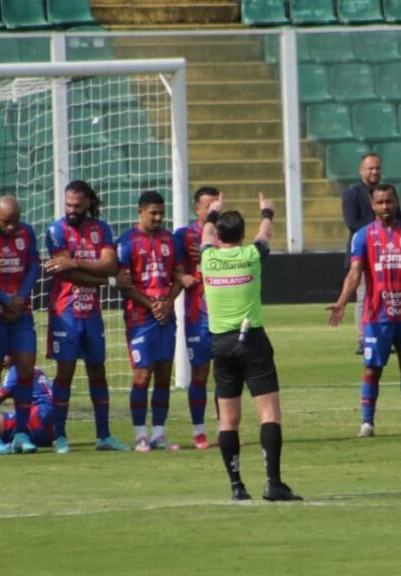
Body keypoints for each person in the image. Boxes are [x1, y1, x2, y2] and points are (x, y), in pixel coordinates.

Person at [201, 192, 301, 502]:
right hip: (252, 340)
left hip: (221, 344)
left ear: (219, 235)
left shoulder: (208, 257)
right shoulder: (251, 256)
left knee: (228, 419)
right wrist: (267, 212)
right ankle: (273, 482)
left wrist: (212, 212)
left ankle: (236, 486)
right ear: (242, 235)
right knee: (269, 413)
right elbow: (265, 234)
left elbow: (205, 233)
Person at [327, 184, 401, 438]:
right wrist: (342, 301)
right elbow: (355, 273)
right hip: (377, 315)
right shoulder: (363, 236)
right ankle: (367, 423)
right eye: (380, 202)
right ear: (373, 206)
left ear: (397, 203)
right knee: (372, 369)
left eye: (389, 201)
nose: (385, 206)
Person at [44, 180, 128, 453]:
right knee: (64, 373)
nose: (71, 210)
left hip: (91, 312)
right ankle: (60, 436)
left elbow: (110, 264)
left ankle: (103, 435)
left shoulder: (101, 229)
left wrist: (77, 261)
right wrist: (110, 282)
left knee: (97, 371)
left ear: (88, 203)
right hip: (65, 312)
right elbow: (66, 273)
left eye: (77, 206)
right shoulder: (55, 231)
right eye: (68, 205)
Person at [116, 191, 184, 452]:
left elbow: (179, 276)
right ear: (140, 211)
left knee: (164, 375)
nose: (158, 218)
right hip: (140, 318)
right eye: (153, 213)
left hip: (166, 316)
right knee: (142, 376)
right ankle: (139, 435)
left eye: (161, 213)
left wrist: (167, 302)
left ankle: (159, 433)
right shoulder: (126, 241)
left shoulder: (170, 240)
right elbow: (124, 284)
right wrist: (152, 304)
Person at [0, 195, 40, 455]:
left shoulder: (27, 233)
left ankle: (22, 434)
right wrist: (5, 299)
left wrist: (20, 298)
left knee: (25, 369)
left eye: (15, 221)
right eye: (6, 222)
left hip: (21, 313)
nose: (11, 227)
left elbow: (33, 267)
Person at [172, 186, 222, 450]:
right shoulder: (183, 235)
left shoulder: (227, 231)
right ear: (197, 209)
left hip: (225, 314)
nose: (214, 209)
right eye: (209, 205)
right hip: (197, 315)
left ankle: (224, 429)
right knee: (200, 374)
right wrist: (182, 277)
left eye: (217, 204)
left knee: (225, 373)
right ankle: (198, 432)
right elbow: (175, 269)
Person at [341, 154, 382, 354]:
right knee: (363, 296)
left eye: (377, 168)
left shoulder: (386, 192)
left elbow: (398, 218)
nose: (374, 172)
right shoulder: (352, 193)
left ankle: (381, 334)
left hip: (384, 253)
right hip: (362, 252)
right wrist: (380, 230)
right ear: (361, 170)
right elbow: (352, 222)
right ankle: (362, 338)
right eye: (370, 168)